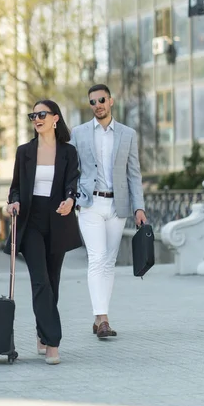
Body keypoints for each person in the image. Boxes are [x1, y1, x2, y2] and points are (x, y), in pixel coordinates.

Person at [6, 99, 81, 365]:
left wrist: (70, 201)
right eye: (33, 115)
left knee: (53, 281)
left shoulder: (68, 152)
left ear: (55, 118)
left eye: (41, 114)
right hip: (31, 220)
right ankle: (52, 343)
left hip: (58, 218)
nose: (36, 119)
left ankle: (41, 330)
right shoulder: (24, 151)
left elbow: (73, 183)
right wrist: (13, 201)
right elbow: (15, 187)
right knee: (40, 281)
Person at [70, 84, 147, 339]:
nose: (97, 105)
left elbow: (134, 174)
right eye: (92, 102)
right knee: (97, 257)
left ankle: (98, 316)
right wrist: (70, 198)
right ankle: (103, 319)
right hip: (90, 204)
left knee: (109, 262)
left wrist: (139, 207)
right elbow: (71, 169)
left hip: (118, 205)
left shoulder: (127, 134)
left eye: (101, 100)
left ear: (111, 101)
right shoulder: (79, 133)